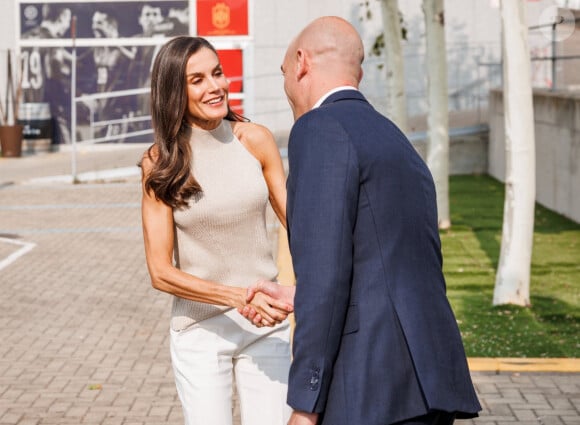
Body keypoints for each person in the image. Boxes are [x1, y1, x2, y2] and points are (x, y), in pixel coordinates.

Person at [242, 16, 482, 425]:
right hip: (428, 381)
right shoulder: (394, 137)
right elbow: (385, 260)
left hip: (368, 388)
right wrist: (298, 294)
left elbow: (326, 275)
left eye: (283, 73)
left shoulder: (319, 129)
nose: (286, 88)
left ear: (301, 63)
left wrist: (304, 404)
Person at [139, 36, 293, 425]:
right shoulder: (159, 163)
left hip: (266, 324)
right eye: (197, 80)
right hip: (201, 329)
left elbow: (300, 224)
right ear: (175, 91)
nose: (215, 87)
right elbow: (160, 272)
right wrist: (240, 295)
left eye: (218, 73)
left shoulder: (255, 139)